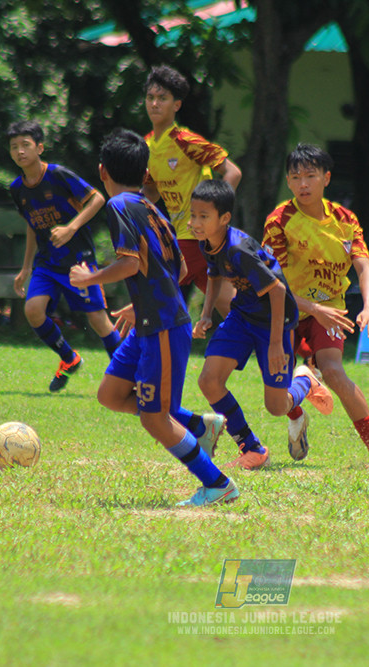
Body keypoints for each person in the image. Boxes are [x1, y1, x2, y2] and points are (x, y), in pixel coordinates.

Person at [70, 128, 237, 507]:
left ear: (102, 172)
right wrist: (141, 302)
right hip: (150, 322)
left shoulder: (118, 206)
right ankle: (198, 425)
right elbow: (175, 266)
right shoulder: (150, 207)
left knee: (153, 418)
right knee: (111, 394)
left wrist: (90, 277)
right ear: (147, 174)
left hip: (162, 326)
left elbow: (129, 263)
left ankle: (217, 483)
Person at [262, 143, 369, 469]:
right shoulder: (279, 222)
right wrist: (312, 307)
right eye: (295, 177)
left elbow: (363, 265)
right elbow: (269, 283)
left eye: (310, 175)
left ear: (326, 178)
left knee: (334, 371)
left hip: (330, 310)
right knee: (277, 399)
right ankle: (299, 402)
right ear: (289, 183)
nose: (303, 184)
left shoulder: (345, 220)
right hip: (287, 310)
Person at [191, 180, 334, 470]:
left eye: (203, 216)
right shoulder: (208, 240)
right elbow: (214, 273)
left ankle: (305, 380)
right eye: (193, 215)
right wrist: (206, 314)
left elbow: (278, 291)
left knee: (276, 407)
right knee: (208, 380)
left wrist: (274, 344)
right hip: (242, 315)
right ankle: (252, 448)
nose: (195, 222)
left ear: (224, 218)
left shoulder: (238, 249)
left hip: (274, 322)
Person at [6, 120, 123, 393]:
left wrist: (71, 228)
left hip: (78, 261)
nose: (20, 151)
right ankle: (69, 358)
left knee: (98, 321)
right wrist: (25, 269)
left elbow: (97, 199)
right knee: (33, 311)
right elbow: (32, 225)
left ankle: (127, 376)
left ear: (40, 148)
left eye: (26, 145)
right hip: (47, 263)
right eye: (14, 147)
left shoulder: (58, 175)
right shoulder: (17, 189)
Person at [142, 65, 242, 317]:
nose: (155, 104)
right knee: (235, 308)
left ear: (176, 105)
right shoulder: (146, 146)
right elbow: (152, 193)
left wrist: (213, 218)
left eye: (162, 98)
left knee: (155, 300)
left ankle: (129, 353)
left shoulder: (186, 141)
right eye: (150, 97)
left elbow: (233, 173)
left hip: (195, 236)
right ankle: (298, 348)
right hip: (182, 237)